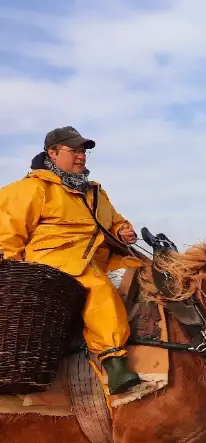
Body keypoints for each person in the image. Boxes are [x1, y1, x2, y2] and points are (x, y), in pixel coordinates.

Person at [0, 126, 143, 395]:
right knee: (98, 289)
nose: (81, 156)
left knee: (145, 274)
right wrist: (11, 273)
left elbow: (114, 221)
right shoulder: (29, 189)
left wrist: (122, 231)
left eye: (83, 151)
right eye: (73, 151)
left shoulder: (95, 192)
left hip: (96, 259)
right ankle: (114, 363)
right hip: (52, 264)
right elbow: (6, 233)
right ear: (52, 153)